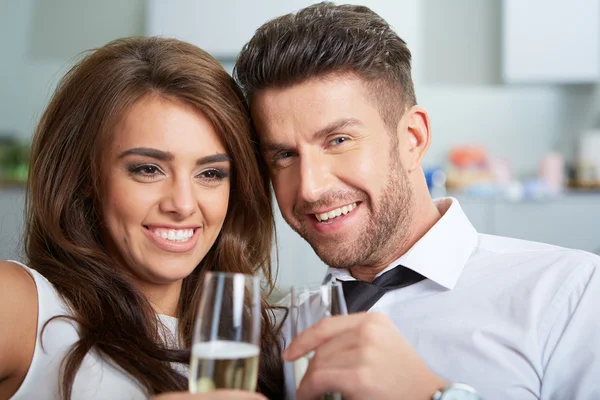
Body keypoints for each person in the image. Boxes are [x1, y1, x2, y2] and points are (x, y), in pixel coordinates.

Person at [234, 2, 600, 400]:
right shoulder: (280, 333)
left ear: (412, 138)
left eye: (338, 141)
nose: (309, 188)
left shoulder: (571, 293)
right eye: (284, 155)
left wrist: (433, 396)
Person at [0, 37, 282, 400]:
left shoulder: (264, 336)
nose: (182, 204)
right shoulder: (21, 304)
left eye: (210, 173)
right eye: (148, 169)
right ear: (86, 177)